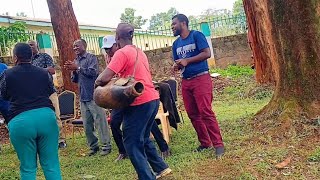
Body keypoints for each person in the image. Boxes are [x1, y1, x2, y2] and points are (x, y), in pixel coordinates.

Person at [95, 23, 172, 180]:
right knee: (143, 138)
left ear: (117, 38)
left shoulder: (121, 53)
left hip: (139, 102)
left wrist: (97, 82)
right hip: (152, 98)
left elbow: (104, 78)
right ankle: (161, 168)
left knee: (131, 142)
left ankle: (146, 177)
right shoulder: (139, 52)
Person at [0, 43, 61, 179]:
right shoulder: (43, 73)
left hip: (21, 121)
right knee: (51, 164)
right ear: (31, 55)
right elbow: (50, 91)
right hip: (47, 119)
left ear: (15, 57)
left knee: (28, 167)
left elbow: (3, 95)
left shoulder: (7, 74)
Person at [171, 14, 225, 158]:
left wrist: (187, 61)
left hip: (201, 78)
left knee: (205, 111)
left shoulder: (197, 35)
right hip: (186, 81)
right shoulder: (176, 44)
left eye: (174, 24)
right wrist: (176, 66)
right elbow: (179, 61)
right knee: (192, 113)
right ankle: (205, 142)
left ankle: (218, 145)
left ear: (183, 23)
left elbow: (207, 53)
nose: (172, 27)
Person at [64, 39, 112, 156]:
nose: (75, 48)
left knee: (100, 121)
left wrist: (78, 68)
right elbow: (74, 80)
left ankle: (106, 146)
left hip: (94, 95)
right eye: (74, 46)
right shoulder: (76, 60)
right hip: (83, 96)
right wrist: (73, 71)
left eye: (77, 46)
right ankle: (93, 146)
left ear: (84, 46)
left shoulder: (91, 58)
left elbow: (93, 73)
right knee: (87, 125)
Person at [28, 40, 67, 149]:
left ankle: (61, 140)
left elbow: (52, 70)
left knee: (55, 116)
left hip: (49, 91)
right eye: (28, 46)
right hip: (35, 94)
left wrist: (35, 71)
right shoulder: (27, 61)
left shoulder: (45, 56)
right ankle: (45, 141)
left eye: (32, 45)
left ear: (37, 46)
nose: (30, 47)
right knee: (39, 118)